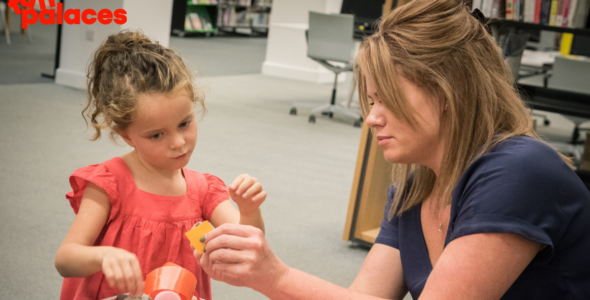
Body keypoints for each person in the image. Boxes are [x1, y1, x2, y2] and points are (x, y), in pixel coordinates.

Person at [192, 0, 590, 299]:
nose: (372, 118)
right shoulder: (415, 188)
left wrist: (277, 276)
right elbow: (365, 296)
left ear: (447, 90)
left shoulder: (519, 171)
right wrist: (262, 276)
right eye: (371, 101)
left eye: (386, 100)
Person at [54, 30, 268, 300]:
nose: (179, 143)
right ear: (125, 134)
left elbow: (246, 248)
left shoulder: (203, 189)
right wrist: (103, 256)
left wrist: (249, 210)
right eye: (157, 135)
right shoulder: (109, 183)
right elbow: (65, 259)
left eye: (184, 124)